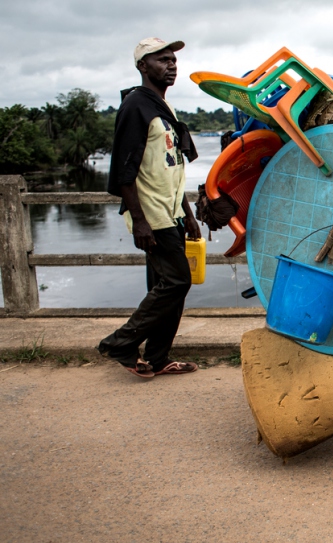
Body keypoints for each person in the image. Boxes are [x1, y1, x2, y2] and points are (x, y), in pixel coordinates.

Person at [97, 38, 202, 379]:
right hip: (151, 215)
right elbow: (124, 171)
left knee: (167, 287)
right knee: (176, 282)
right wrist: (139, 221)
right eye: (162, 60)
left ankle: (157, 358)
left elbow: (172, 167)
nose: (172, 65)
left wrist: (186, 213)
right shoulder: (135, 107)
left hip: (168, 212)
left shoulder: (161, 106)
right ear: (143, 66)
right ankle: (121, 342)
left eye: (173, 60)